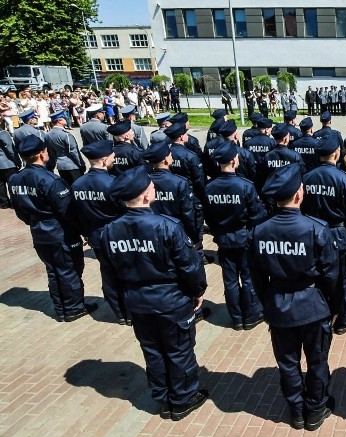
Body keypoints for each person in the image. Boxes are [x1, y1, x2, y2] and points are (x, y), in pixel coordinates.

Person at [100, 166, 209, 420]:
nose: (154, 188)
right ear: (146, 195)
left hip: (137, 302)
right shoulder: (167, 226)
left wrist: (120, 308)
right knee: (179, 350)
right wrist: (197, 291)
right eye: (151, 186)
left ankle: (163, 397)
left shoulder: (110, 231)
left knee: (152, 350)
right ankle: (182, 399)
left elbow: (109, 276)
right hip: (171, 301)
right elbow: (188, 265)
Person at [250, 165, 339, 430]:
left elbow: (256, 276)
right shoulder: (317, 229)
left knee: (287, 363)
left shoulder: (259, 231)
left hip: (278, 304)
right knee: (317, 361)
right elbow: (331, 276)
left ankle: (297, 410)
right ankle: (315, 408)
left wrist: (268, 301)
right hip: (312, 306)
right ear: (299, 195)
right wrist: (334, 307)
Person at [9, 135, 95, 321]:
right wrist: (84, 231)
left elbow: (19, 210)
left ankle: (61, 307)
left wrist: (33, 221)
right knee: (69, 269)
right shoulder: (50, 180)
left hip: (39, 231)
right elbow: (68, 212)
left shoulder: (15, 179)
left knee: (54, 271)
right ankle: (73, 308)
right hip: (59, 232)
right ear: (41, 153)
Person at [301, 136, 346, 335]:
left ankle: (321, 314)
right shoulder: (345, 179)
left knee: (318, 276)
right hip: (339, 234)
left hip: (313, 233)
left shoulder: (307, 177)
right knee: (343, 278)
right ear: (337, 153)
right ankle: (343, 318)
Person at [205, 140, 267, 330]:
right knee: (248, 278)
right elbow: (257, 215)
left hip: (224, 240)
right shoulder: (245, 186)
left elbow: (208, 217)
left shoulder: (210, 187)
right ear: (234, 160)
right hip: (244, 238)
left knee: (230, 280)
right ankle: (250, 316)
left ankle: (237, 317)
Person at [72, 140, 126, 323]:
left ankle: (119, 313)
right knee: (127, 273)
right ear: (104, 160)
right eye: (112, 156)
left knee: (108, 274)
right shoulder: (113, 183)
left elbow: (76, 214)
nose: (114, 158)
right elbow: (125, 211)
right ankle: (130, 312)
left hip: (95, 235)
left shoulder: (77, 184)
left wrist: (86, 232)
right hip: (117, 235)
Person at [144, 141, 203, 249]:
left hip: (152, 232)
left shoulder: (145, 181)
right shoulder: (179, 182)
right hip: (177, 232)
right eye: (170, 154)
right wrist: (195, 238)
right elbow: (187, 213)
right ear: (166, 159)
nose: (172, 156)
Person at [165, 122, 206, 201]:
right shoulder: (190, 156)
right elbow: (198, 180)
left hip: (172, 192)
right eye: (185, 134)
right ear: (181, 137)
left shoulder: (166, 154)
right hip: (190, 193)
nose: (187, 136)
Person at [44, 111, 85, 185]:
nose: (66, 119)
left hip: (61, 166)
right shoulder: (66, 135)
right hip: (73, 166)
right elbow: (74, 152)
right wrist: (81, 164)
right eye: (64, 118)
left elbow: (51, 152)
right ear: (59, 121)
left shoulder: (48, 135)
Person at [0, 126, 20, 208]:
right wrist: (17, 161)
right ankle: (14, 203)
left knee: (0, 184)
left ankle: (4, 203)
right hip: (8, 163)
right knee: (12, 183)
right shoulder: (2, 133)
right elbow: (10, 148)